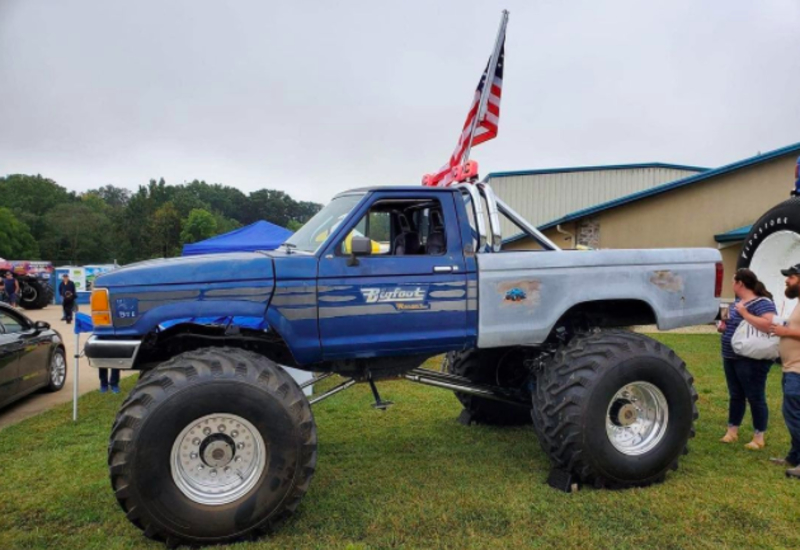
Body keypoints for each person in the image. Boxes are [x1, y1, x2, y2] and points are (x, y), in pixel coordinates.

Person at [718, 268, 776, 450]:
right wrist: (723, 326)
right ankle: (732, 431)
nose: (731, 284)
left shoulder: (762, 303)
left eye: (733, 281)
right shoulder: (737, 302)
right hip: (731, 356)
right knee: (736, 395)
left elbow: (770, 325)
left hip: (751, 359)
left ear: (740, 283)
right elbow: (734, 326)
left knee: (755, 396)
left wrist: (745, 314)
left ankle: (759, 436)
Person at [768, 263, 800, 478]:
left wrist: (785, 330)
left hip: (798, 370)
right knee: (792, 413)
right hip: (790, 368)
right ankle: (794, 457)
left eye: (790, 277)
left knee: (795, 414)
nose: (786, 281)